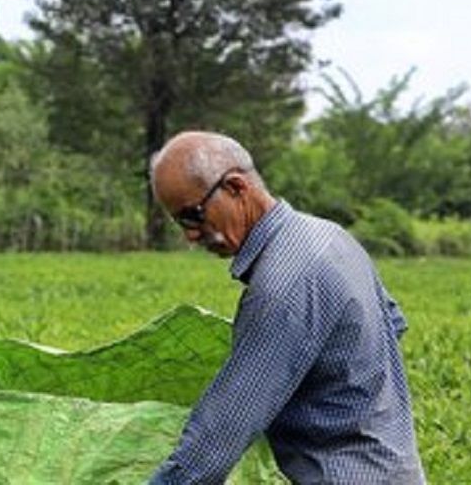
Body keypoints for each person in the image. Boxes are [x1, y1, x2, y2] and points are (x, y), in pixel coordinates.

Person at [147, 131, 425, 484]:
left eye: (192, 216)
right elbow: (393, 325)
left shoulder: (280, 286)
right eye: (179, 223)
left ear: (235, 187)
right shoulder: (329, 236)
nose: (189, 236)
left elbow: (222, 433)